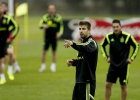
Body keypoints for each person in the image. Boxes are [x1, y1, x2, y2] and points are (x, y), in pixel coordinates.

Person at [100, 19, 139, 100]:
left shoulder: (127, 36)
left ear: (120, 27)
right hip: (113, 65)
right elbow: (102, 45)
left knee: (123, 86)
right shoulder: (109, 36)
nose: (115, 28)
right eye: (114, 27)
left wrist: (131, 58)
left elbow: (136, 46)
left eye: (117, 27)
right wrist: (106, 57)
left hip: (124, 65)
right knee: (107, 85)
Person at [64, 21, 98, 100]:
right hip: (79, 81)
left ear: (89, 30)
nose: (81, 30)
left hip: (87, 82)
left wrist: (73, 43)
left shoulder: (92, 43)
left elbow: (85, 47)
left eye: (83, 29)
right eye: (79, 29)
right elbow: (83, 60)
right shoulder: (82, 43)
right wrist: (74, 62)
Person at [38, 4, 63, 72]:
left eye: (52, 9)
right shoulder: (45, 17)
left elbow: (61, 27)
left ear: (54, 9)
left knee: (54, 52)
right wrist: (43, 25)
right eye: (50, 9)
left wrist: (59, 33)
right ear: (48, 10)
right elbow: (40, 25)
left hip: (54, 38)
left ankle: (53, 66)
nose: (51, 10)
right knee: (44, 52)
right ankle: (43, 66)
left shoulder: (58, 17)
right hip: (47, 38)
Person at [0, 4, 19, 84]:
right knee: (1, 61)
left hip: (7, 41)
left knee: (10, 53)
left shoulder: (7, 18)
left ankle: (10, 69)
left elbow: (17, 27)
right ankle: (2, 77)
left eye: (2, 7)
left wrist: (11, 38)